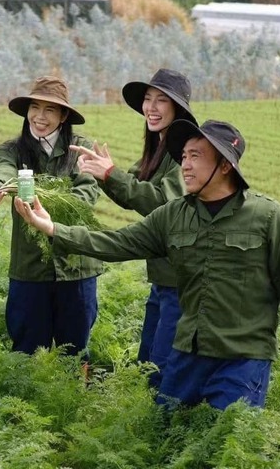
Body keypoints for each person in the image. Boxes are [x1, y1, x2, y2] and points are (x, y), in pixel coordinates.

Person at [14, 118, 280, 409]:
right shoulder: (173, 215)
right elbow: (117, 243)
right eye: (183, 156)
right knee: (165, 432)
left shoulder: (266, 216)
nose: (184, 164)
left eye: (195, 156)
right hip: (187, 353)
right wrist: (53, 229)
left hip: (243, 358)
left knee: (228, 440)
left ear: (225, 165)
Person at [70, 68, 195, 388]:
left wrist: (110, 174)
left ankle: (168, 430)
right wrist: (104, 174)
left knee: (163, 368)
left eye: (161, 100)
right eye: (147, 100)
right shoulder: (159, 147)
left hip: (182, 280)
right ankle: (152, 425)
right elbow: (134, 190)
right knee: (147, 363)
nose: (150, 107)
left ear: (178, 108)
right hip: (164, 275)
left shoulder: (184, 151)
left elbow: (162, 204)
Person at [0, 75, 103, 357]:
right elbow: (2, 171)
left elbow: (88, 192)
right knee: (26, 348)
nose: (39, 117)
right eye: (35, 107)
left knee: (76, 350)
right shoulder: (13, 150)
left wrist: (51, 211)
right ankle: (27, 400)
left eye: (50, 110)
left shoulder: (79, 149)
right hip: (30, 266)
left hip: (76, 266)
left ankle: (73, 398)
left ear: (64, 115)